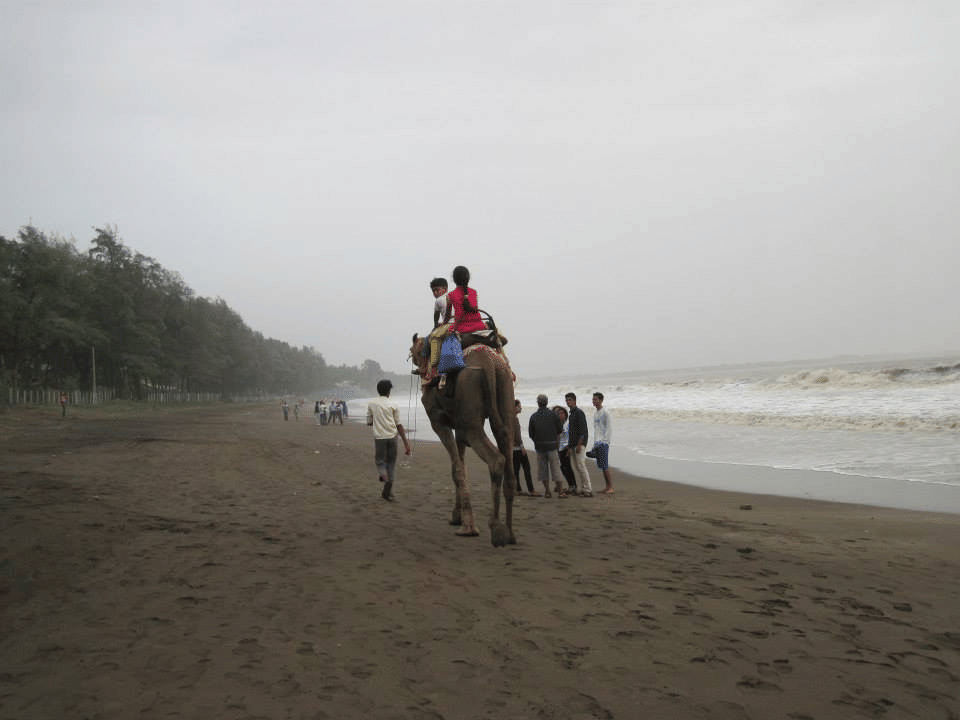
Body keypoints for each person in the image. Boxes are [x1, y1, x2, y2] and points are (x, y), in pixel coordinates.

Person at [366, 380, 411, 501]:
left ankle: (383, 476)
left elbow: (369, 422)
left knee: (380, 462)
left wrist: (378, 421)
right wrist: (407, 445)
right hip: (393, 437)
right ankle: (387, 492)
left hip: (380, 438)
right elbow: (399, 425)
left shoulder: (371, 403)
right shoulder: (394, 404)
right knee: (391, 464)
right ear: (389, 391)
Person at [527, 394, 564, 498]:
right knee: (556, 469)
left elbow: (531, 433)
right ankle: (560, 491)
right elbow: (560, 430)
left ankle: (547, 491)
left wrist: (537, 440)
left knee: (543, 471)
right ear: (547, 402)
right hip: (552, 445)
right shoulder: (553, 415)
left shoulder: (534, 416)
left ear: (538, 403)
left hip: (539, 446)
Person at [443, 265, 486, 334]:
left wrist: (443, 324)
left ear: (454, 279)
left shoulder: (450, 295)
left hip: (461, 328)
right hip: (479, 326)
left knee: (445, 340)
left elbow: (447, 316)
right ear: (468, 278)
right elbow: (474, 308)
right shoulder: (473, 292)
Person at [565, 392, 592, 497]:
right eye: (567, 400)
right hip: (572, 445)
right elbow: (571, 432)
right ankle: (583, 488)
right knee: (577, 467)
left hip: (579, 445)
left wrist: (580, 444)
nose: (568, 402)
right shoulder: (571, 414)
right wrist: (569, 446)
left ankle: (588, 489)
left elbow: (583, 431)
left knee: (581, 467)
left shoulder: (579, 413)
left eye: (570, 400)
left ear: (575, 401)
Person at [591, 392, 615, 493]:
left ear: (601, 400)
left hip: (604, 442)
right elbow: (596, 430)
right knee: (601, 465)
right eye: (593, 399)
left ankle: (610, 487)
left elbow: (609, 428)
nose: (594, 401)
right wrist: (594, 444)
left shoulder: (605, 412)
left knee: (605, 465)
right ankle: (607, 487)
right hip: (598, 442)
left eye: (596, 399)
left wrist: (606, 442)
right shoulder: (596, 413)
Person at [554, 405, 578, 496]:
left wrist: (569, 448)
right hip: (558, 448)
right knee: (562, 468)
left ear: (565, 414)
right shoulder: (557, 424)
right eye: (557, 413)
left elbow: (570, 436)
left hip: (565, 448)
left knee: (567, 467)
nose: (559, 415)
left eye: (561, 413)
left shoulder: (567, 424)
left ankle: (573, 486)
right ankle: (570, 485)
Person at [511, 399, 534, 496]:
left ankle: (518, 489)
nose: (521, 408)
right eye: (519, 406)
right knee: (526, 468)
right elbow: (517, 435)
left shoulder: (508, 418)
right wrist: (522, 446)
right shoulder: (514, 419)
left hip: (512, 448)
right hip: (517, 448)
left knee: (516, 469)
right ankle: (531, 489)